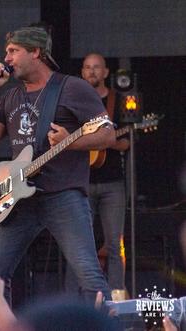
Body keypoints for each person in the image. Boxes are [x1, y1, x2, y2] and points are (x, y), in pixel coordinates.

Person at [0, 23, 115, 314]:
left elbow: (107, 134)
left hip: (62, 194)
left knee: (88, 273)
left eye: (13, 51)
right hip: (19, 199)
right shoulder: (10, 96)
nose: (7, 58)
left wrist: (70, 142)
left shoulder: (71, 87)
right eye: (6, 52)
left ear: (36, 52)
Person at [65, 53, 129, 297]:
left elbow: (126, 144)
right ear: (82, 72)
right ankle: (74, 299)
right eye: (88, 68)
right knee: (79, 244)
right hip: (81, 182)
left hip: (113, 184)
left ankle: (116, 298)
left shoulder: (117, 101)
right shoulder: (74, 102)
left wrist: (106, 140)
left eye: (97, 68)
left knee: (114, 243)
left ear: (105, 73)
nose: (92, 72)